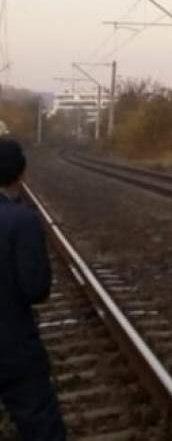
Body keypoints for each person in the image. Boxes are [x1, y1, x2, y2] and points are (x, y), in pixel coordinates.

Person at [0, 137, 66, 440]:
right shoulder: (22, 220)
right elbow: (36, 289)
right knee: (40, 425)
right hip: (12, 346)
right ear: (21, 173)